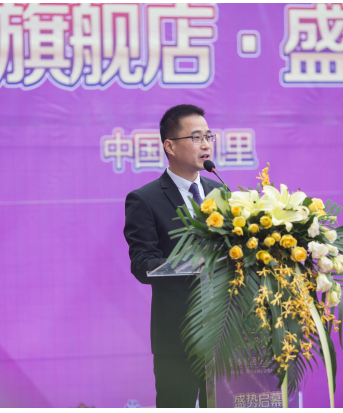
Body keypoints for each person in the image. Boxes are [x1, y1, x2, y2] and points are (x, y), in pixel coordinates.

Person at [123, 104, 223, 408]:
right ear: (170, 146)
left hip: (226, 332)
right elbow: (143, 264)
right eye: (196, 137)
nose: (205, 144)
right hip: (179, 336)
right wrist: (194, 263)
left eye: (208, 136)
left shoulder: (222, 194)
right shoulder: (145, 199)